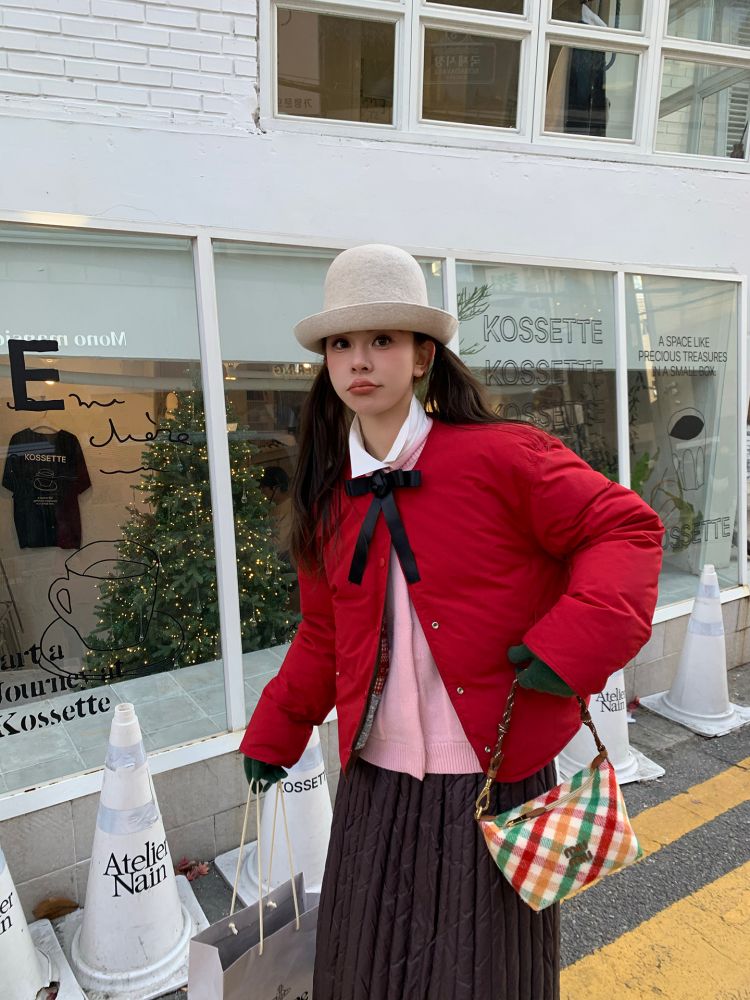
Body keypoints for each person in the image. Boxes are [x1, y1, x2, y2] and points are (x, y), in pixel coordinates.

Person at [239, 244, 664, 1000]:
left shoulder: (503, 456)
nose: (359, 360)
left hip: (492, 771)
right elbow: (324, 634)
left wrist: (570, 646)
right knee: (366, 970)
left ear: (422, 356)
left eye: (382, 340)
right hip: (376, 782)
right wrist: (278, 729)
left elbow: (625, 529)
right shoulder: (329, 497)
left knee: (481, 977)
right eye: (341, 344)